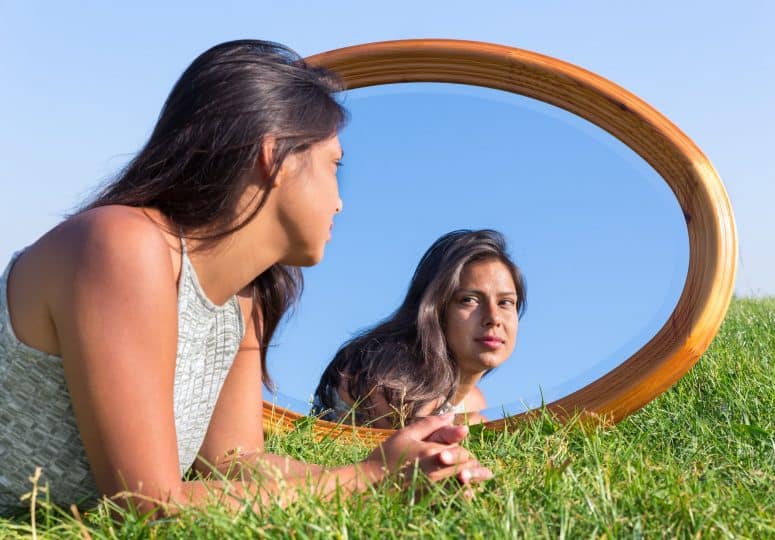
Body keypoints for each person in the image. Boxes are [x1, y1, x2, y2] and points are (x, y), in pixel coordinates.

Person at [0, 40, 493, 517]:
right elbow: (147, 505)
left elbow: (235, 462)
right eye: (333, 166)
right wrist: (370, 477)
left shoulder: (244, 295)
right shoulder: (122, 246)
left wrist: (415, 467)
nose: (340, 201)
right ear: (273, 155)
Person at [313, 229, 526, 428]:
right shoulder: (388, 378)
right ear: (435, 308)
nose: (493, 318)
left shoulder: (472, 402)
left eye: (505, 302)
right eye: (469, 300)